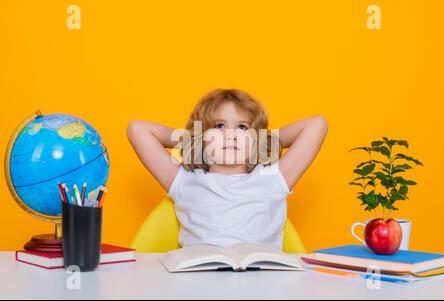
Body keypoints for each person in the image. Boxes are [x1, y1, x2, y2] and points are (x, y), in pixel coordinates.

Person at [127, 88, 328, 250]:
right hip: (198, 283)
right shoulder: (184, 180)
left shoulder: (273, 178)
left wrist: (264, 141)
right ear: (201, 135)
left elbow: (317, 125)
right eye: (219, 126)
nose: (230, 135)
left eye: (242, 127)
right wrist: (193, 140)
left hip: (264, 283)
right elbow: (137, 129)